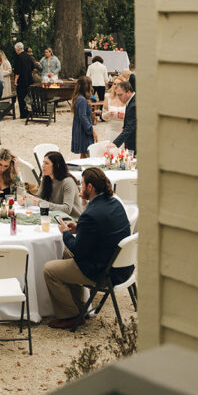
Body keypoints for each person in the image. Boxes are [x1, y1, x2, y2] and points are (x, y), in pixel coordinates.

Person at [43, 167, 132, 328]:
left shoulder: (91, 213)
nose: (80, 188)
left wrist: (65, 233)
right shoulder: (114, 202)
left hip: (105, 272)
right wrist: (78, 228)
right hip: (123, 266)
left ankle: (70, 315)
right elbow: (101, 230)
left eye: (82, 184)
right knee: (66, 254)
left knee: (50, 270)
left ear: (90, 187)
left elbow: (79, 249)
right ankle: (80, 308)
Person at [33, 151, 82, 220]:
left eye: (47, 163)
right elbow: (37, 198)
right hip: (55, 217)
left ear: (57, 166)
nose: (43, 166)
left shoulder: (68, 182)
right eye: (43, 162)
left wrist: (42, 203)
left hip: (72, 220)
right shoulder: (47, 178)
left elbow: (67, 209)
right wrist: (26, 200)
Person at [71, 76, 96, 158]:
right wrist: (91, 130)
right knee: (87, 154)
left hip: (80, 130)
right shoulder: (82, 100)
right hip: (83, 132)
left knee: (83, 154)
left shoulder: (79, 98)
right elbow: (83, 117)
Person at [0, 49, 13, 143]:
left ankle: (7, 109)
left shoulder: (6, 62)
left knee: (5, 95)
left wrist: (1, 73)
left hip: (4, 79)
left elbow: (10, 71)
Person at [112, 80, 136, 153]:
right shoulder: (131, 101)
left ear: (128, 92)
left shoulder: (134, 105)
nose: (118, 98)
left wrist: (115, 144)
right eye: (117, 95)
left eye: (120, 95)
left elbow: (130, 128)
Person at [13, 42, 35, 120]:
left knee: (21, 97)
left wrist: (15, 80)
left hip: (21, 80)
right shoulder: (28, 56)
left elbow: (17, 71)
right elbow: (33, 67)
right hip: (29, 80)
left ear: (17, 49)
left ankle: (23, 114)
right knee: (29, 96)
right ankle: (30, 111)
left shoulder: (18, 57)